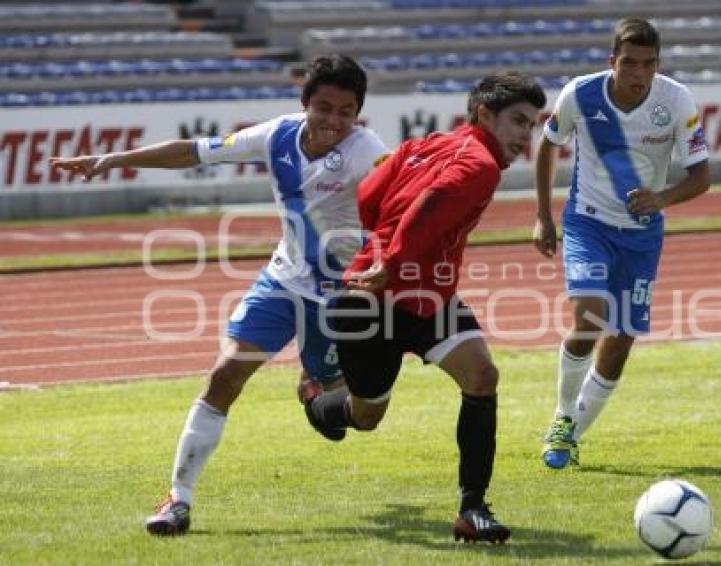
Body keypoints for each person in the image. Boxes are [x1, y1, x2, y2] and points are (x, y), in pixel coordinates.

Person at [50, 54, 389, 535]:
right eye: (325, 107)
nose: (335, 121)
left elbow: (402, 191)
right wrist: (113, 159)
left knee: (351, 416)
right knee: (225, 374)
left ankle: (316, 387)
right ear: (305, 103)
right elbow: (193, 151)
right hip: (283, 279)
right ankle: (177, 500)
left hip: (339, 295)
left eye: (346, 111)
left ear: (359, 113)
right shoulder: (277, 136)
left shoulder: (365, 149)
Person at [303, 72, 546, 544]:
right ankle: (317, 400)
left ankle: (472, 509)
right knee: (366, 415)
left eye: (532, 125)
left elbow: (370, 197)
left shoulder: (425, 144)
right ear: (483, 115)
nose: (525, 136)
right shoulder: (480, 163)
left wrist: (386, 251)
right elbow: (430, 205)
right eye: (518, 121)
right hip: (375, 300)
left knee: (482, 376)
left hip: (426, 297)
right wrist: (392, 262)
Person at [533, 18, 710, 470]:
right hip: (587, 223)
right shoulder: (581, 94)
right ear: (612, 61)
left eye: (648, 64)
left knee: (621, 339)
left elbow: (701, 175)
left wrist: (662, 198)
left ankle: (571, 434)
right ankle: (561, 416)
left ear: (658, 64)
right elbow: (548, 145)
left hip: (642, 235)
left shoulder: (676, 101)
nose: (639, 73)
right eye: (629, 63)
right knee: (589, 314)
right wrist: (542, 216)